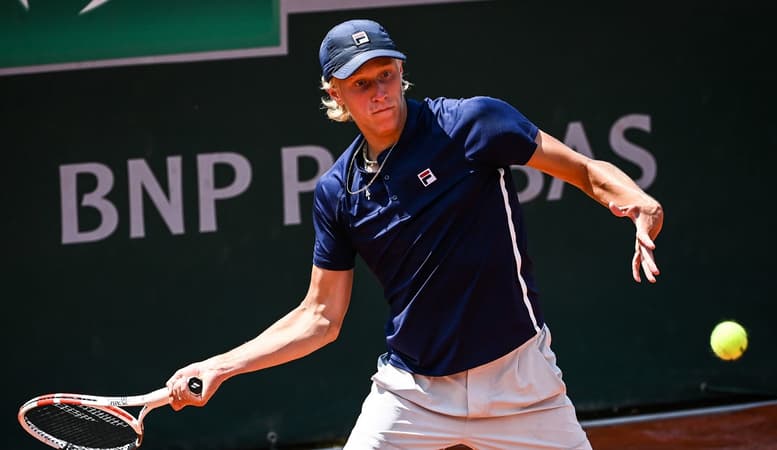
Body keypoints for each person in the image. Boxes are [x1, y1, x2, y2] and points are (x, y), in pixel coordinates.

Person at [166, 19, 664, 449]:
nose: (380, 91)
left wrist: (639, 202)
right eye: (361, 83)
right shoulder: (338, 192)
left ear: (401, 71)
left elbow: (584, 171)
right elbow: (320, 317)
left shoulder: (475, 123)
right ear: (334, 93)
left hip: (521, 383)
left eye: (386, 74)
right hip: (413, 394)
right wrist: (221, 366)